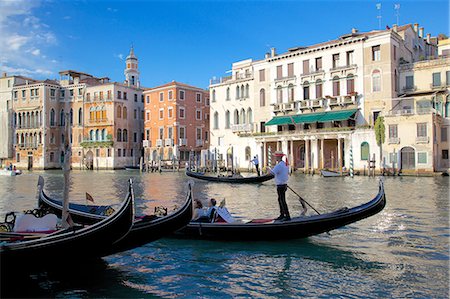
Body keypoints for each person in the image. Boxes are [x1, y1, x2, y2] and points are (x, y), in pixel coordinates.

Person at [269, 151, 291, 221]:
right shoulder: (284, 164)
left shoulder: (278, 165)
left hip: (280, 185)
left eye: (276, 156)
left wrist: (268, 170)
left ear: (278, 157)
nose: (275, 157)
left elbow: (272, 174)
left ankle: (287, 216)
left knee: (282, 200)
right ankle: (282, 215)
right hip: (284, 184)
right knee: (280, 200)